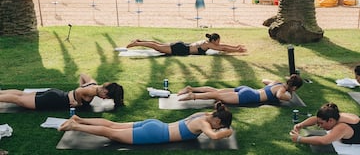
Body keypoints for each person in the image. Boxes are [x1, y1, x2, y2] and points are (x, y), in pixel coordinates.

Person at [58, 101, 233, 144]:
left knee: (113, 126)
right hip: (155, 133)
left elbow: (214, 127)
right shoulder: (204, 123)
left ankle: (79, 119)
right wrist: (228, 132)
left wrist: (224, 126)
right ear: (216, 120)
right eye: (220, 125)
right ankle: (75, 125)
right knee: (110, 133)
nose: (218, 128)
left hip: (156, 124)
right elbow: (213, 136)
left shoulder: (203, 114)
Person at [0, 73, 124, 111]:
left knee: (22, 94)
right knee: (18, 100)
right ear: (105, 90)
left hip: (56, 94)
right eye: (106, 96)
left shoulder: (94, 83)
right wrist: (78, 103)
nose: (104, 98)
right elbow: (81, 91)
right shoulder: (91, 90)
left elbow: (83, 75)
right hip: (54, 99)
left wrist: (76, 92)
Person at [177, 74, 303, 105]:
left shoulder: (277, 82)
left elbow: (264, 80)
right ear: (295, 87)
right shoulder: (282, 89)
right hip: (249, 96)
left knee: (217, 91)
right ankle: (192, 96)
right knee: (217, 95)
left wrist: (272, 84)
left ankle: (192, 88)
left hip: (248, 90)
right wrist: (290, 95)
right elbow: (280, 96)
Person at [290, 102, 360, 147]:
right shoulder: (335, 115)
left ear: (330, 120)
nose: (319, 126)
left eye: (321, 124)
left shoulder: (342, 127)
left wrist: (299, 139)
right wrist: (301, 125)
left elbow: (324, 141)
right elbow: (316, 119)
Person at [126, 33, 247, 56]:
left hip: (181, 46)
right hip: (181, 49)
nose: (219, 43)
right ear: (214, 41)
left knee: (158, 45)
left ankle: (139, 41)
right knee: (157, 47)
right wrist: (237, 50)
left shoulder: (208, 43)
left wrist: (236, 47)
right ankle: (137, 43)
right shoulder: (209, 45)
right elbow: (224, 48)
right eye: (218, 41)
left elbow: (223, 46)